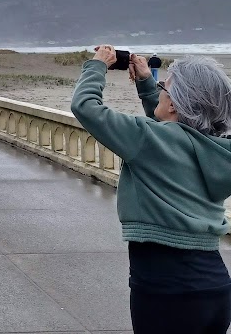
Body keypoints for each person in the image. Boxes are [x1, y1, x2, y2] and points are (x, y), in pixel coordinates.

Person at [71, 45, 231, 334]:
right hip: (215, 288)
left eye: (163, 88)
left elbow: (85, 107)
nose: (159, 91)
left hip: (165, 287)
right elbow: (173, 131)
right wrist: (146, 82)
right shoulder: (217, 149)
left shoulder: (149, 140)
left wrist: (96, 67)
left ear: (173, 104)